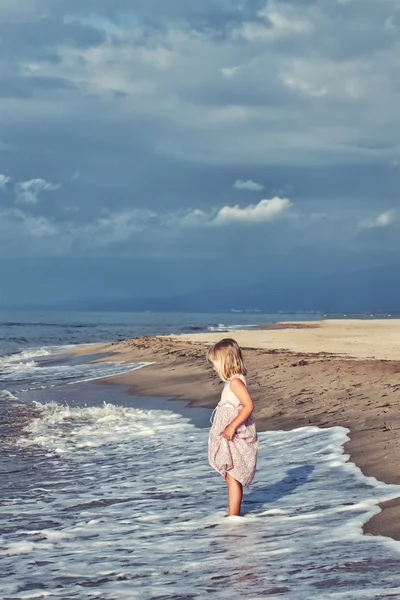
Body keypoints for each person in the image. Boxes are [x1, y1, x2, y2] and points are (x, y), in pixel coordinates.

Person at [207, 338, 258, 516]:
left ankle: (233, 515)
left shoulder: (236, 383)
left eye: (215, 364)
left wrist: (231, 426)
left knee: (232, 476)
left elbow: (248, 406)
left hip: (235, 435)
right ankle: (233, 513)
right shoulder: (233, 381)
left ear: (226, 362)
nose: (214, 369)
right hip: (231, 434)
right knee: (232, 475)